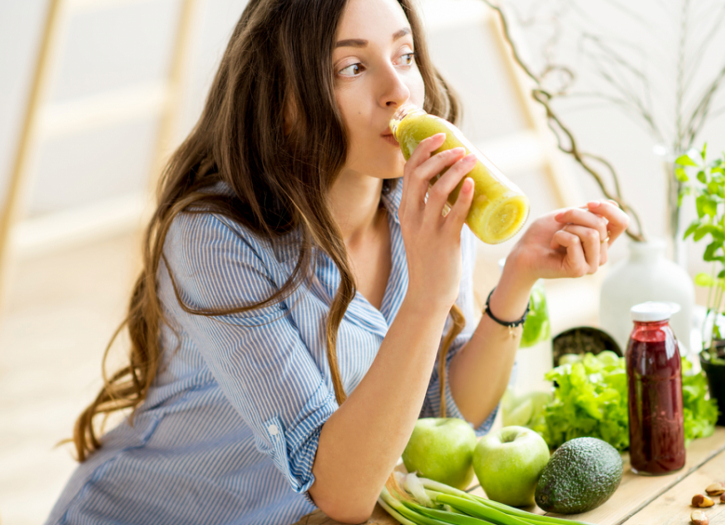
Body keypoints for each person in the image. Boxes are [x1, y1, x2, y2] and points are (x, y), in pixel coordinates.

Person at [45, 0, 628, 523]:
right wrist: (429, 296)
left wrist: (516, 279)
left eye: (404, 55)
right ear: (286, 101)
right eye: (353, 67)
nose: (398, 89)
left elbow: (438, 414)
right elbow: (342, 491)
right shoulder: (213, 240)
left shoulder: (417, 208)